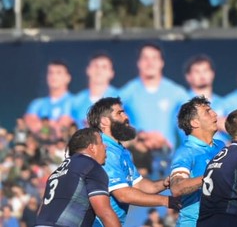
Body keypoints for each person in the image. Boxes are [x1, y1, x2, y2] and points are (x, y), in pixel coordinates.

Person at [87, 97, 181, 226]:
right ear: (104, 121)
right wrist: (166, 201)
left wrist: (166, 183)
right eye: (119, 113)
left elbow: (139, 185)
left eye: (124, 112)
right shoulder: (104, 150)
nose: (126, 117)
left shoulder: (120, 149)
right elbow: (123, 195)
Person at [35, 127, 120, 227]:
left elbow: (41, 210)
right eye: (101, 142)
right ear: (92, 147)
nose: (105, 146)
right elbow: (104, 212)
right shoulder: (91, 165)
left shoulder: (57, 172)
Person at [169, 96, 226, 227]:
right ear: (195, 123)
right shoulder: (186, 152)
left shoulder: (221, 146)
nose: (215, 114)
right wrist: (210, 177)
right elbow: (177, 188)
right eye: (207, 111)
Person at [119, 43, 189, 149]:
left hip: (167, 158)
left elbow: (193, 123)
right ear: (138, 63)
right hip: (135, 157)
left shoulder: (176, 92)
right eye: (145, 58)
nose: (150, 63)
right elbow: (109, 118)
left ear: (162, 63)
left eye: (154, 58)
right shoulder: (127, 92)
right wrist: (140, 137)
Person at [181, 55, 228, 142]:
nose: (202, 75)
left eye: (205, 70)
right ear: (188, 77)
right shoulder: (183, 102)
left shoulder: (224, 103)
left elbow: (235, 129)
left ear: (212, 74)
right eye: (197, 71)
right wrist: (217, 123)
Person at [25, 60, 74, 136]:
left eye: (58, 73)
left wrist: (43, 126)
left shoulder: (75, 102)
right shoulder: (36, 104)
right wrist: (52, 126)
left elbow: (62, 130)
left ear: (68, 78)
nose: (53, 76)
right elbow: (31, 126)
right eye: (50, 73)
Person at [71, 53, 119, 128]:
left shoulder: (120, 99)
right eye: (96, 66)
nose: (99, 70)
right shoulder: (76, 102)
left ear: (111, 73)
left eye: (104, 67)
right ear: (88, 70)